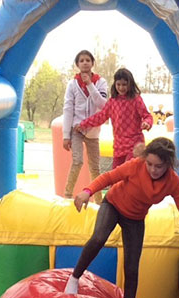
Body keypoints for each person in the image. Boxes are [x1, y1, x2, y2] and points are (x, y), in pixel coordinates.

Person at [64, 137, 179, 298]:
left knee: (132, 267)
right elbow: (108, 177)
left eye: (159, 166)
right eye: (150, 164)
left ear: (168, 164)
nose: (153, 170)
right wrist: (87, 191)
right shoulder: (136, 165)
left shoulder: (173, 182)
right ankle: (74, 278)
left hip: (135, 219)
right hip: (113, 205)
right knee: (99, 238)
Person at [76, 68, 153, 169]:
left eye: (124, 84)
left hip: (134, 145)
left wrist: (147, 122)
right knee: (116, 174)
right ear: (115, 84)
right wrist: (83, 124)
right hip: (119, 145)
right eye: (118, 84)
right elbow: (100, 117)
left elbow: (147, 115)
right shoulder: (113, 101)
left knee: (129, 170)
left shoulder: (135, 99)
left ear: (130, 84)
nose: (121, 88)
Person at [62, 50, 109, 201]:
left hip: (93, 131)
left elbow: (102, 104)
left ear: (92, 63)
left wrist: (89, 84)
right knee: (77, 161)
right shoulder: (72, 84)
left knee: (95, 167)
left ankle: (99, 201)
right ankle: (67, 195)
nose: (85, 63)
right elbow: (68, 109)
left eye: (88, 60)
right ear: (77, 64)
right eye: (81, 60)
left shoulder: (101, 82)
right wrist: (66, 135)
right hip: (76, 129)